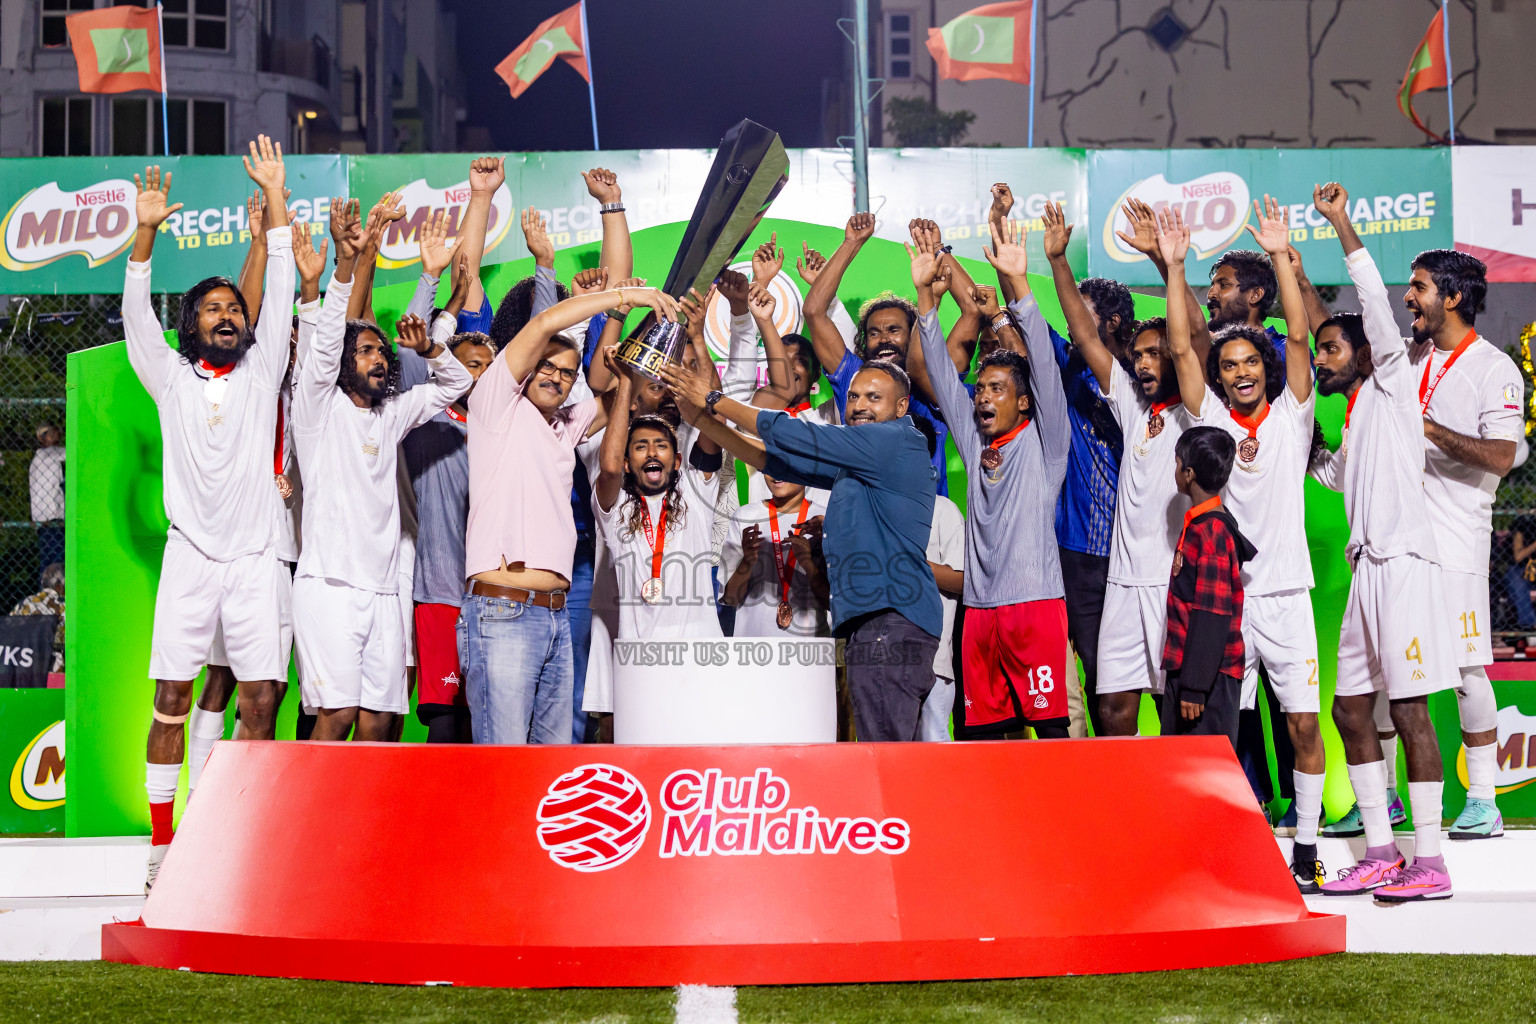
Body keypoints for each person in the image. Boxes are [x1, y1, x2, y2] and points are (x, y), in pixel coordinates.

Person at [122, 141, 294, 892]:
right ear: (190, 325)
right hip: (190, 558)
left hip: (255, 559)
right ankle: (164, 847)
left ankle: (237, 836)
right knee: (170, 700)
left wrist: (278, 201)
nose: (227, 315)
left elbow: (281, 285)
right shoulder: (167, 376)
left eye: (234, 308)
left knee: (259, 699)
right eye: (213, 309)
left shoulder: (263, 368)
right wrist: (146, 232)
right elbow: (133, 309)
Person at [661, 357, 943, 742]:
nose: (859, 405)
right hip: (879, 623)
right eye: (854, 396)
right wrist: (703, 422)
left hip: (888, 621)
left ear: (901, 406)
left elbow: (801, 438)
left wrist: (714, 399)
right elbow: (773, 459)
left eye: (874, 397)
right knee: (888, 753)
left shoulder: (895, 440)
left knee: (887, 759)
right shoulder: (862, 463)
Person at [1309, 191, 1459, 902]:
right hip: (1368, 572)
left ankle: (1429, 860)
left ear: (1368, 350)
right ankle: (1379, 851)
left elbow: (1370, 297)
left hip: (1404, 568)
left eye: (1331, 349)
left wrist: (1339, 224)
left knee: (1410, 711)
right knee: (1348, 710)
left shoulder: (1394, 379)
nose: (1323, 360)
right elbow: (1333, 472)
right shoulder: (1362, 410)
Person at [291, 197, 472, 743]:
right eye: (366, 350)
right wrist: (343, 269)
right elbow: (324, 345)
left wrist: (433, 344)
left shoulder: (391, 415)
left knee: (379, 722)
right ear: (345, 363)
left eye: (381, 352)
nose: (379, 358)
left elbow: (454, 385)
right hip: (329, 587)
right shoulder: (317, 411)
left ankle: (364, 829)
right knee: (337, 715)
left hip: (384, 593)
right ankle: (314, 828)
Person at [464, 282, 675, 745]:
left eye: (567, 372)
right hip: (503, 610)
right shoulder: (495, 404)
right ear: (525, 368)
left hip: (557, 617)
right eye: (547, 366)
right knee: (504, 764)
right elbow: (544, 323)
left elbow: (625, 390)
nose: (556, 377)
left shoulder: (564, 426)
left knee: (552, 764)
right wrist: (626, 296)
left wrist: (669, 327)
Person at [1202, 195, 1330, 892]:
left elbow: (1303, 339)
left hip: (1284, 599)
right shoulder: (1212, 419)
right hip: (1228, 604)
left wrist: (1281, 254)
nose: (1242, 372)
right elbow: (1193, 352)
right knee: (1227, 736)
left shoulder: (1292, 416)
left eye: (1252, 361)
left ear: (1267, 367)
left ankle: (1305, 850)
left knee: (1305, 727)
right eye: (1231, 366)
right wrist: (1170, 263)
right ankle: (1233, 849)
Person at [914, 217, 1072, 738]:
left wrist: (1021, 286)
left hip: (1035, 608)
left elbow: (1045, 367)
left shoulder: (1045, 444)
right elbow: (940, 372)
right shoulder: (975, 439)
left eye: (997, 388)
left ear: (1023, 402)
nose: (982, 396)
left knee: (1047, 734)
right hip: (980, 614)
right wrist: (925, 300)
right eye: (981, 387)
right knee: (983, 738)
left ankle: (1053, 821)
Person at [1079, 208, 1219, 736]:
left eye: (1153, 355)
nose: (1142, 363)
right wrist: (1052, 261)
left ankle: (1172, 813)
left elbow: (1191, 342)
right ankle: (1119, 810)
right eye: (1137, 354)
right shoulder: (1136, 410)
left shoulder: (1195, 410)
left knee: (1173, 709)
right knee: (1113, 708)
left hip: (1169, 582)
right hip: (1121, 581)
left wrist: (1170, 268)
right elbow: (1086, 337)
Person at [1403, 240, 1522, 842]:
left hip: (1455, 547)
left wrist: (1427, 427)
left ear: (1452, 296)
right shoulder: (1410, 357)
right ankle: (1391, 801)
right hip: (1402, 547)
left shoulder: (1494, 368)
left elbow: (1502, 456)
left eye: (1419, 286)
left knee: (1466, 673)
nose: (1408, 297)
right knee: (1385, 668)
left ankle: (1483, 798)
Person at [1040, 197, 1132, 734]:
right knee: (1090, 679)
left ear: (1111, 323)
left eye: (1082, 307)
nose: (1072, 319)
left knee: (1132, 684)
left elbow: (1079, 335)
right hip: (1076, 556)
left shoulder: (1138, 385)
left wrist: (1058, 264)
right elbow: (1030, 318)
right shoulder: (1069, 374)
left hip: (1132, 553)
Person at [399, 234, 487, 744]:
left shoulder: (501, 427)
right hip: (438, 591)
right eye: (471, 364)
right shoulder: (429, 415)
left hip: (493, 595)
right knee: (445, 719)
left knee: (483, 719)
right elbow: (414, 357)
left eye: (487, 367)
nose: (480, 374)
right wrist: (429, 280)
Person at [802, 212, 956, 495]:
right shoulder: (855, 376)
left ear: (913, 333)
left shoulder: (932, 386)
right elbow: (814, 311)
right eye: (874, 333)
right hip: (867, 524)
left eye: (894, 330)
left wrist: (935, 265)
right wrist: (851, 244)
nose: (884, 339)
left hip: (928, 528)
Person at [592, 357, 724, 645]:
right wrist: (627, 382)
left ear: (677, 460)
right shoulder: (616, 509)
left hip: (699, 654)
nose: (652, 452)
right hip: (640, 658)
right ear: (628, 463)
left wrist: (699, 341)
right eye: (641, 446)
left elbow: (717, 424)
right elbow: (610, 468)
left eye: (661, 445)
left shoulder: (695, 493)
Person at [1161, 426, 1254, 746]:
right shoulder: (1203, 523)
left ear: (1188, 473)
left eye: (1176, 464)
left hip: (1206, 681)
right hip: (1189, 672)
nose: (1174, 471)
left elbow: (1211, 615)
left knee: (1203, 776)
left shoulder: (1213, 531)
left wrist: (1194, 687)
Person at [720, 474, 831, 637]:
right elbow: (730, 599)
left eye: (785, 466)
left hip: (811, 650)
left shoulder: (824, 520)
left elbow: (833, 603)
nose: (777, 473)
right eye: (770, 465)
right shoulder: (745, 516)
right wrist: (747, 562)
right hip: (753, 648)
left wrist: (808, 564)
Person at [11, 562, 65, 673]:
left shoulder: (26, 602)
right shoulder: (63, 606)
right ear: (60, 586)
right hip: (52, 665)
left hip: (22, 660)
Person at [29, 422, 65, 575]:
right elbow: (75, 452)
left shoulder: (38, 459)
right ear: (43, 437)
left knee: (48, 562)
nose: (57, 435)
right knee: (57, 563)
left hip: (43, 520)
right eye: (52, 432)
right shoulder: (49, 454)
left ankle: (46, 594)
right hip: (52, 519)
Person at [1506, 514, 1536, 630]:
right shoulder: (1523, 524)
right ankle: (1530, 625)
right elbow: (1518, 556)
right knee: (1517, 581)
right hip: (1520, 569)